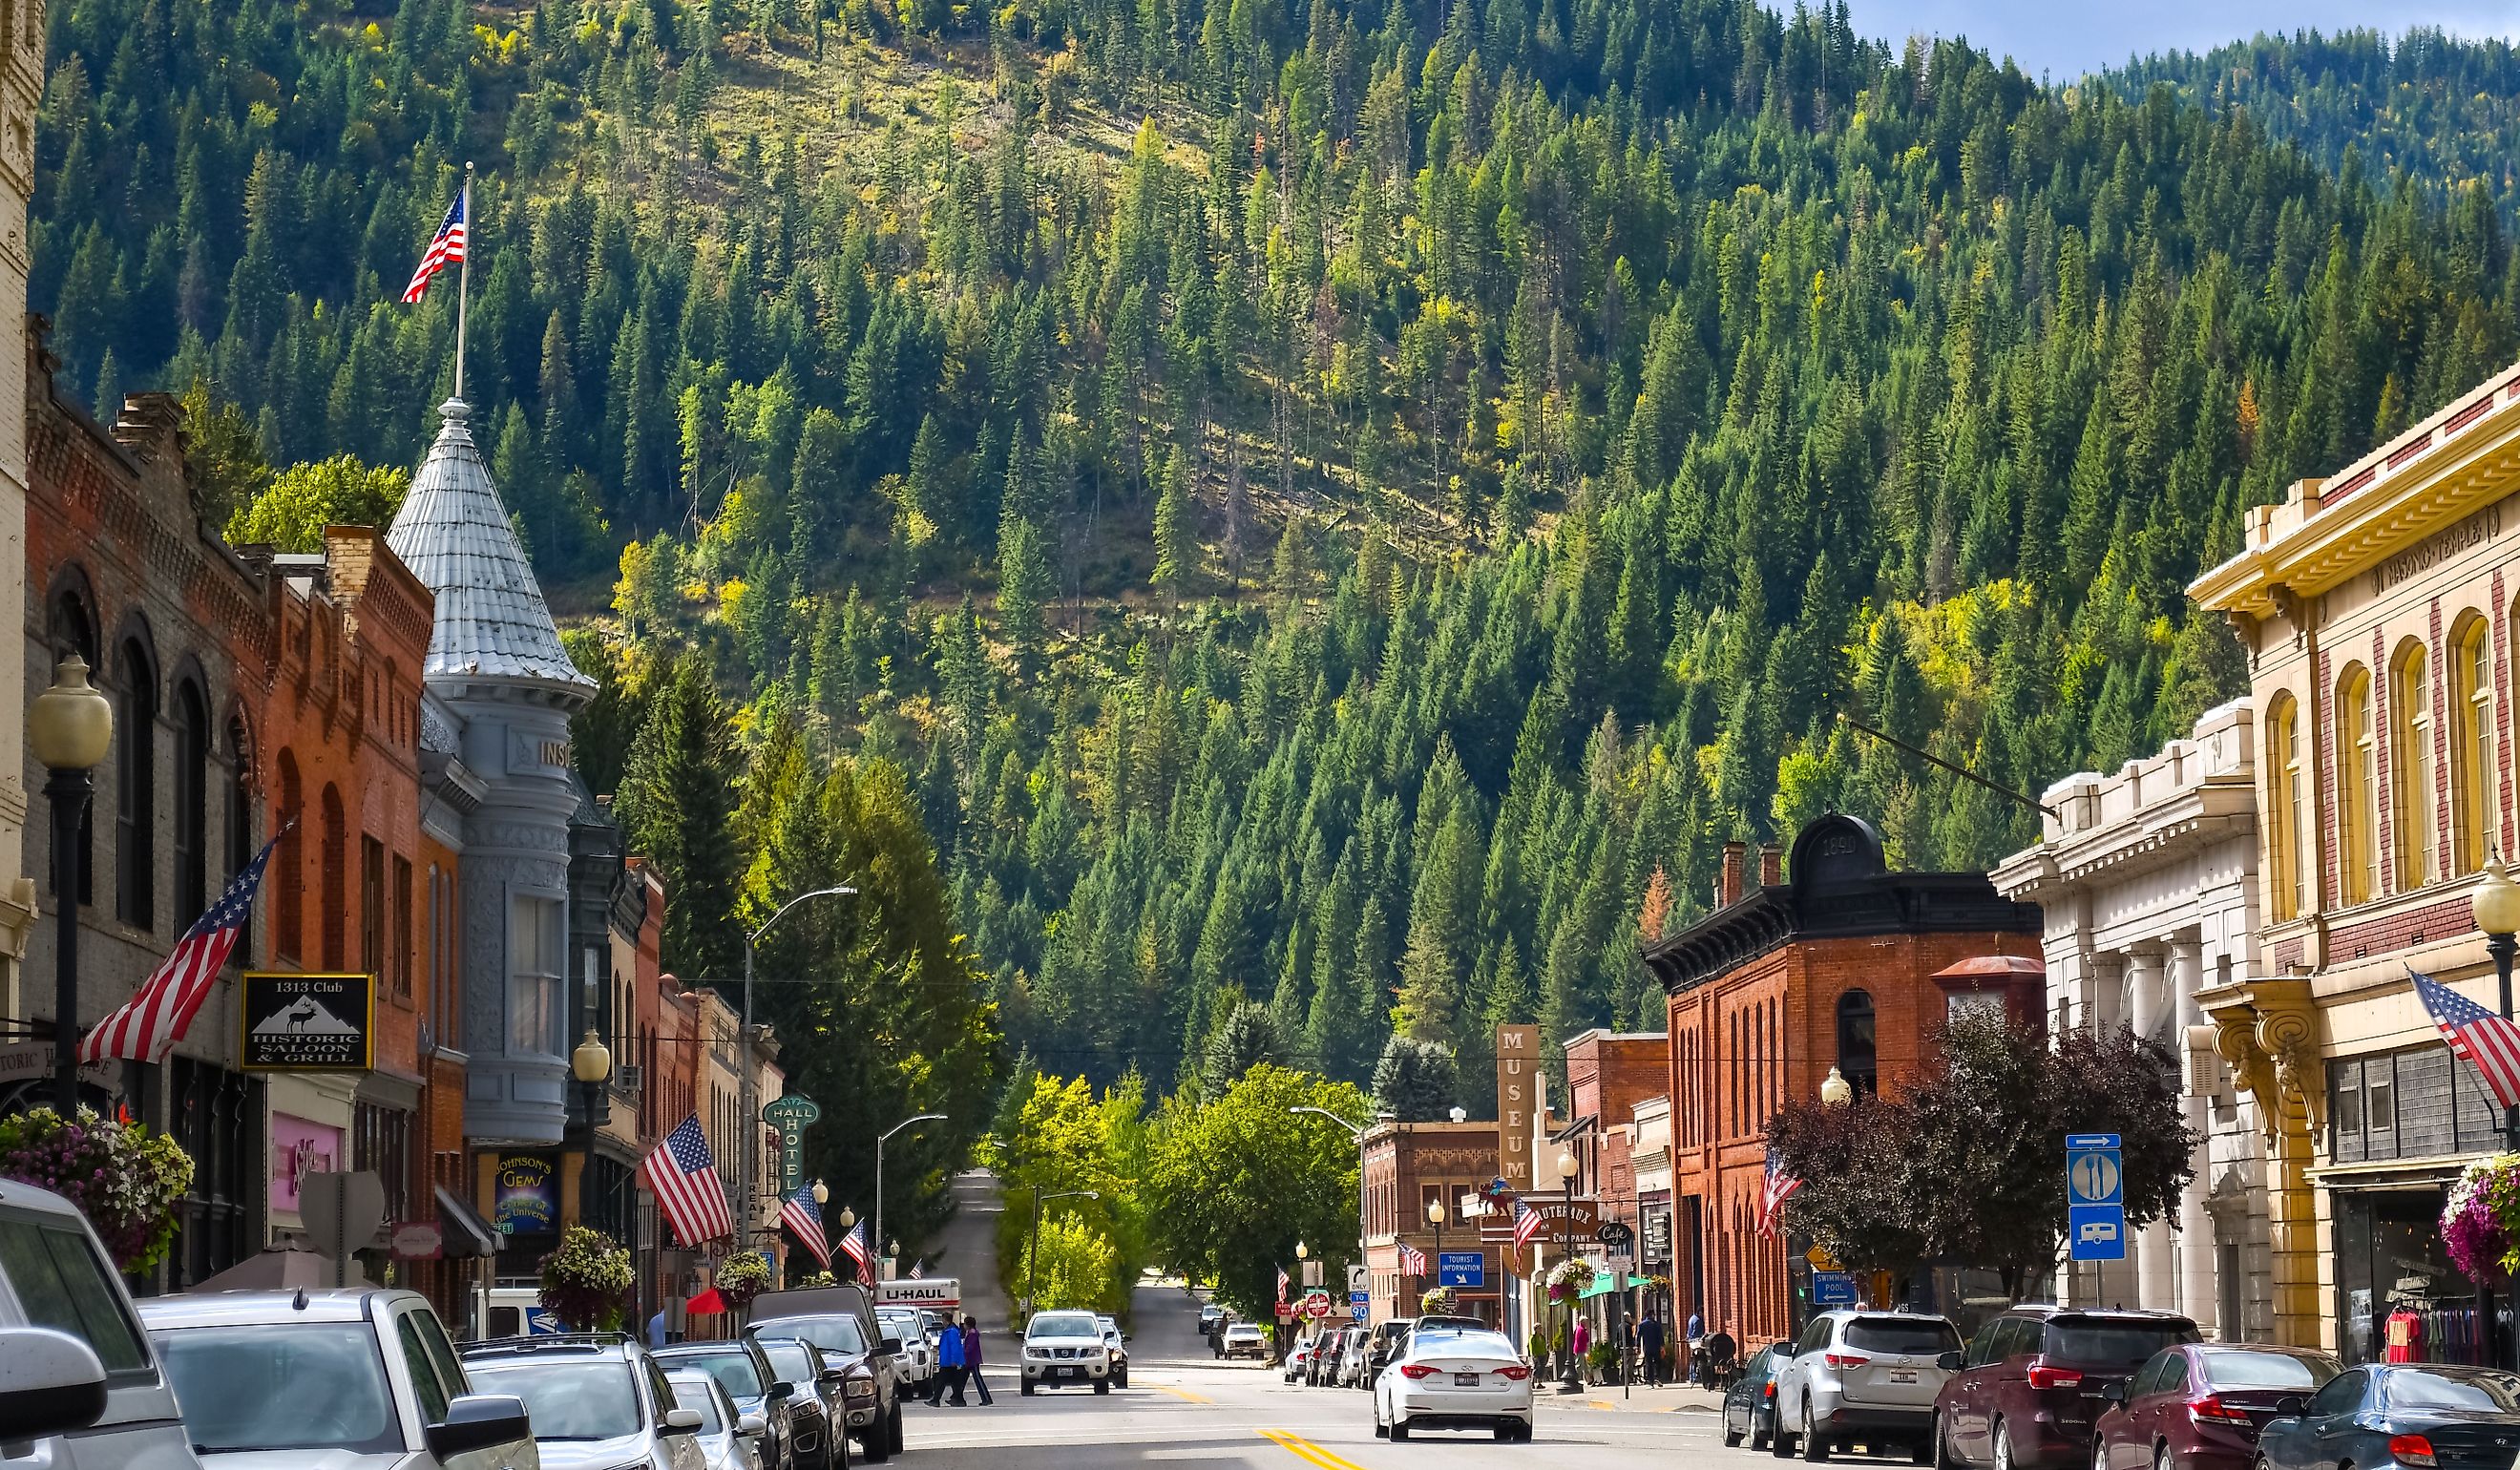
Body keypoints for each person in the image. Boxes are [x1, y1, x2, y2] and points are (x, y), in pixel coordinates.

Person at [931, 1312, 969, 1405]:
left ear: (946, 1320)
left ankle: (936, 1400)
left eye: (943, 1320)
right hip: (948, 1361)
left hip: (949, 1362)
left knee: (941, 1381)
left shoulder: (951, 1331)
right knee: (955, 1382)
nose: (942, 1322)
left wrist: (954, 1360)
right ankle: (959, 1400)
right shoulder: (949, 1330)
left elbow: (954, 1347)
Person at [960, 1315, 992, 1405]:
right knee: (961, 1380)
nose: (964, 1326)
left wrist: (964, 1353)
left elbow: (970, 1347)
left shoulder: (973, 1334)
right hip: (968, 1360)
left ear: (968, 1325)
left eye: (965, 1324)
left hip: (973, 1360)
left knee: (978, 1380)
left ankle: (986, 1399)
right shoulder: (969, 1333)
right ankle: (957, 1397)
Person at [1702, 1321, 1738, 1388]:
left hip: (1718, 1356)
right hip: (1725, 1356)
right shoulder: (1726, 1341)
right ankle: (1727, 1382)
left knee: (1711, 1366)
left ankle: (1712, 1383)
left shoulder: (1717, 1342)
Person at [1638, 1311, 1666, 1386]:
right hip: (1656, 1347)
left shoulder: (1642, 1325)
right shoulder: (1656, 1325)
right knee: (1658, 1362)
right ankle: (1657, 1377)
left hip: (1647, 1347)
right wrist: (1662, 1346)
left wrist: (1637, 1346)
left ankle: (1650, 1381)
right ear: (1652, 1315)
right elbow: (1660, 1336)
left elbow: (1638, 1336)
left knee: (1648, 1364)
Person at [1570, 1315, 1591, 1384]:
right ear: (1582, 1322)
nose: (1587, 1323)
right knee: (1579, 1365)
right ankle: (1575, 1379)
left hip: (1581, 1349)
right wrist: (1587, 1331)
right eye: (1586, 1321)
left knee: (1585, 1366)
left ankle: (1589, 1380)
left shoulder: (1580, 1329)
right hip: (1580, 1349)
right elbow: (1586, 1339)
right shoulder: (1581, 1330)